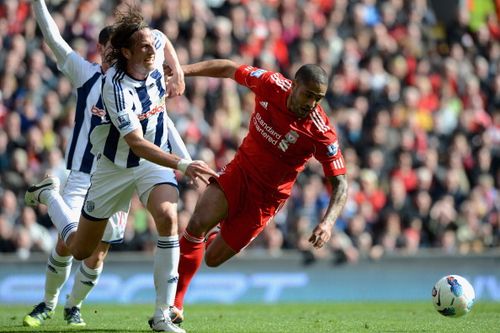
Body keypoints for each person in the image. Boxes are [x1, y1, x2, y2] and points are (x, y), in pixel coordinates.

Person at [24, 6, 217, 333]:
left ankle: (157, 314)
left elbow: (161, 40)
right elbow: (136, 140)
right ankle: (49, 204)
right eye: (141, 47)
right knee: (75, 247)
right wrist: (184, 163)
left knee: (162, 220)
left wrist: (178, 69)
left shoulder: (151, 53)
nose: (151, 50)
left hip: (149, 164)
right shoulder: (104, 81)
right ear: (119, 52)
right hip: (102, 169)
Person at [172, 59, 348, 324]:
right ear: (294, 85)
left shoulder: (320, 131)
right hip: (240, 171)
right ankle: (174, 305)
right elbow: (229, 69)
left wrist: (328, 223)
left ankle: (214, 238)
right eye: (308, 94)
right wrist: (180, 70)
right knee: (196, 223)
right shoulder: (270, 84)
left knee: (213, 259)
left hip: (266, 199)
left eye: (318, 98)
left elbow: (340, 183)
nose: (312, 103)